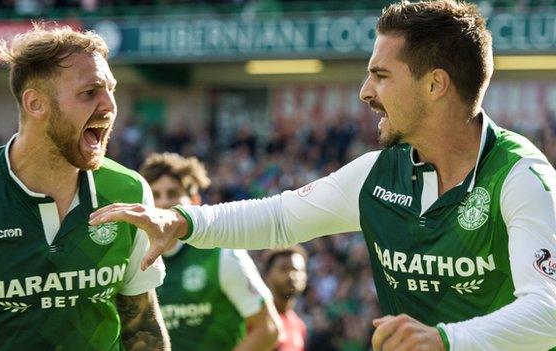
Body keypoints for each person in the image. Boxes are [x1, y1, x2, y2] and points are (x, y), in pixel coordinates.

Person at [89, 1, 556, 350]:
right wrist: (184, 222)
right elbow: (280, 218)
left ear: (435, 84)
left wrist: (446, 339)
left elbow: (550, 311)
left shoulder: (519, 177)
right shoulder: (378, 175)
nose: (364, 91)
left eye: (381, 75)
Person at [0, 24, 169, 351]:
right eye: (90, 92)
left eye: (111, 90)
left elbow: (143, 327)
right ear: (35, 103)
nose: (110, 106)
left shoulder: (128, 190)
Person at [141, 152, 281, 351]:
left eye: (173, 194)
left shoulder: (222, 254)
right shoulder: (134, 258)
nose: (163, 203)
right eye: (155, 195)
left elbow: (268, 328)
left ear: (195, 201)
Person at [262, 246, 308, 351]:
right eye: (284, 269)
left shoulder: (299, 326)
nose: (292, 275)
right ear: (267, 275)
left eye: (297, 270)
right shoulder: (258, 320)